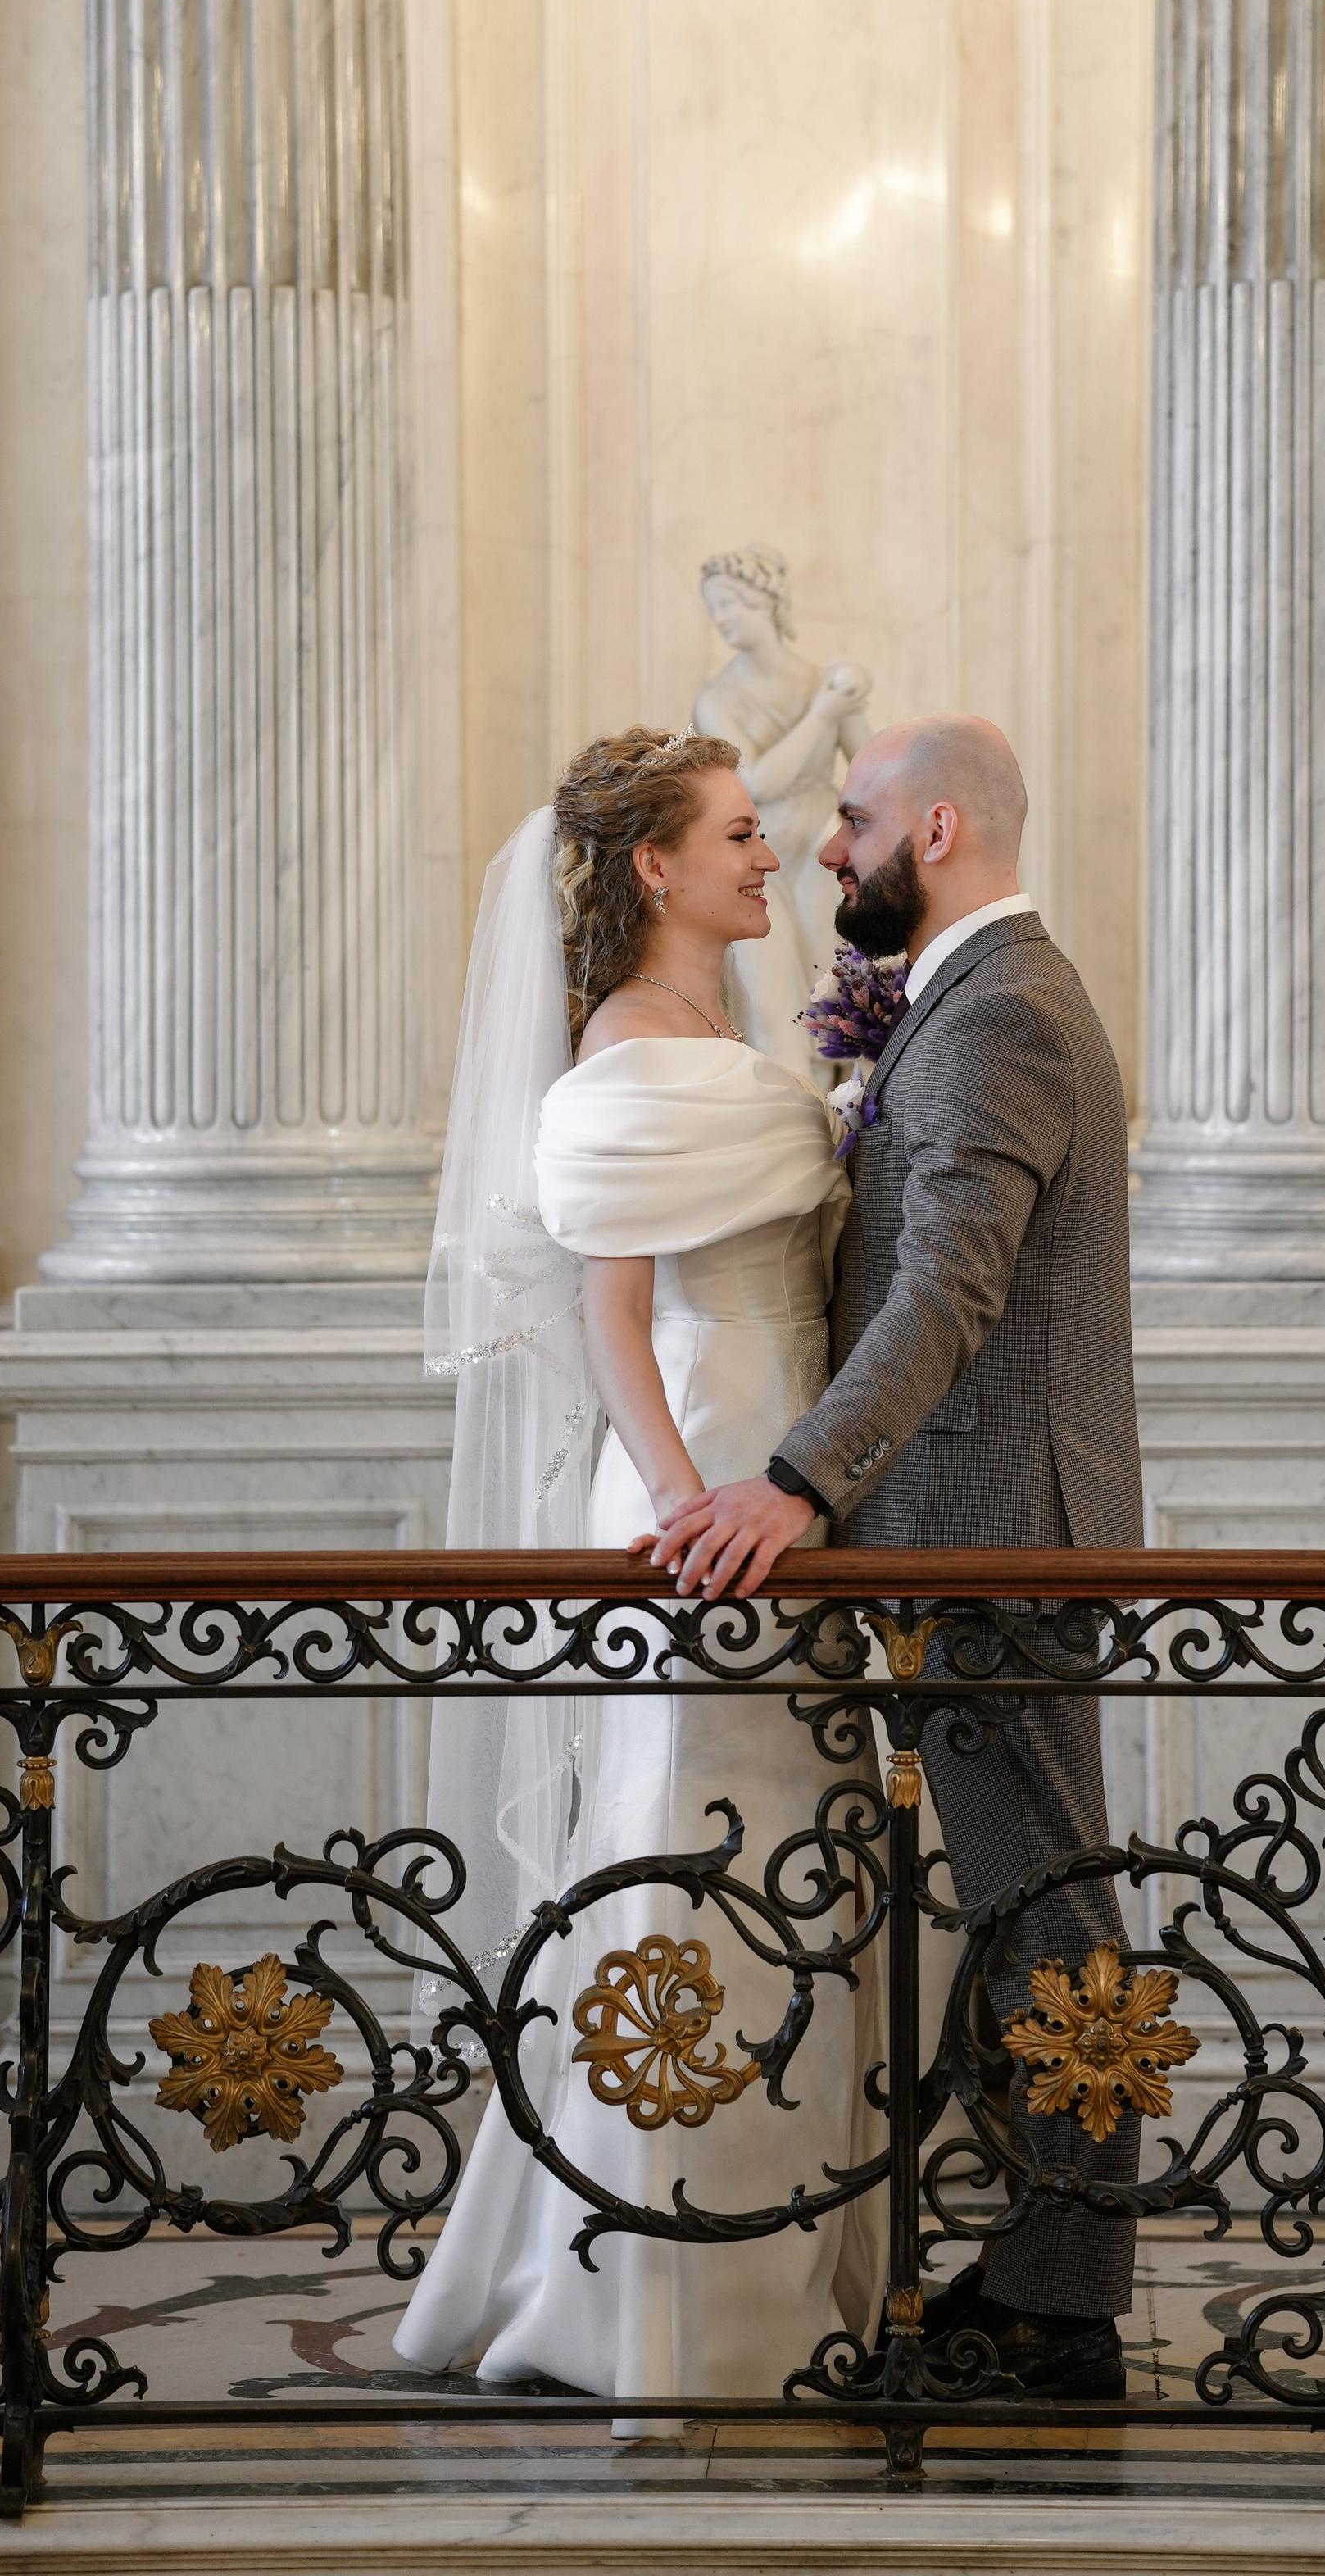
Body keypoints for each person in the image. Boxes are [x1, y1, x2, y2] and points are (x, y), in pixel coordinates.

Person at [650, 715, 1144, 2401]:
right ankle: (1032, 2272)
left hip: (997, 1533)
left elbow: (950, 1284)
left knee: (1047, 1906)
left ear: (931, 829)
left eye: (848, 818)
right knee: (1017, 1898)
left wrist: (794, 1480)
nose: (824, 846)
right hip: (965, 1526)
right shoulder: (964, 1000)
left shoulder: (998, 1010)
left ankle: (1063, 2307)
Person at [393, 727, 883, 2407]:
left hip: (784, 1455)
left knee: (786, 1865)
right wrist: (688, 1508)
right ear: (654, 869)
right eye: (742, 835)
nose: (773, 857)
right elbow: (609, 1312)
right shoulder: (620, 1046)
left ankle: (767, 2261)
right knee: (677, 1857)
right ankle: (647, 2299)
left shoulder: (722, 1025)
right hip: (701, 1473)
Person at [692, 546, 872, 1084]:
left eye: (728, 604)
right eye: (713, 609)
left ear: (764, 602)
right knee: (771, 999)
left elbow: (873, 767)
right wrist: (824, 713)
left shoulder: (829, 682)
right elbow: (754, 782)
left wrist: (851, 697)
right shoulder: (717, 699)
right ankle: (797, 1122)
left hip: (822, 848)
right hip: (757, 855)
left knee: (834, 986)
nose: (720, 619)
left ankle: (851, 1121)